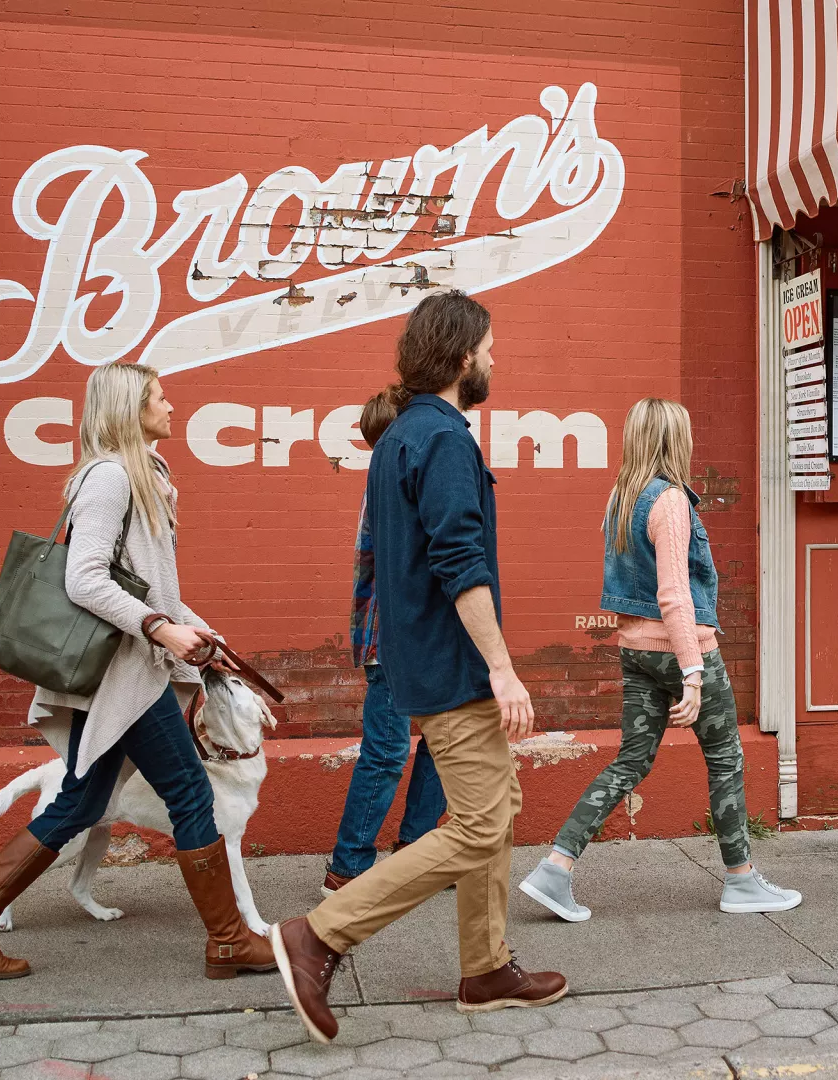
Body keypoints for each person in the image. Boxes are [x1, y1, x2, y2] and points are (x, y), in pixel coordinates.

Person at [272, 290, 567, 1044]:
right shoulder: (441, 439)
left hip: (425, 660)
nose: (496, 359)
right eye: (490, 348)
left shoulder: (405, 435)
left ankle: (487, 968)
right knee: (477, 824)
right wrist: (502, 667)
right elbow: (459, 560)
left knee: (496, 806)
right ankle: (320, 934)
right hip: (451, 663)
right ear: (463, 355)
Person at [0, 363, 275, 982]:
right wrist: (160, 630)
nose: (171, 407)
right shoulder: (111, 478)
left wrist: (204, 636)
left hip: (129, 668)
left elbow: (155, 589)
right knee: (191, 793)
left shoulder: (145, 477)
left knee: (83, 800)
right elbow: (84, 579)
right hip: (125, 675)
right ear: (130, 410)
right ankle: (228, 941)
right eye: (159, 398)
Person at [518, 398, 802, 921]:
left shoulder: (621, 496)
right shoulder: (670, 500)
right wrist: (693, 672)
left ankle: (554, 869)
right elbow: (674, 594)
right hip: (681, 650)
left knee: (631, 760)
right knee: (726, 759)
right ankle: (741, 882)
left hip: (636, 652)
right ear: (676, 441)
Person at [322, 390, 447, 896]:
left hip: (421, 635)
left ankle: (417, 852)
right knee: (388, 751)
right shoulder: (392, 485)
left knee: (444, 741)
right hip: (395, 638)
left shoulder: (404, 480)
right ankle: (347, 867)